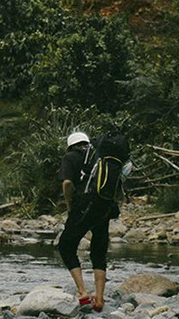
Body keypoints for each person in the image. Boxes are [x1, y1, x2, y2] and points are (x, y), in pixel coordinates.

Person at [57, 131, 105, 310]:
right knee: (99, 251)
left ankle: (83, 292)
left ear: (70, 145)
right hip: (104, 208)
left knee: (66, 246)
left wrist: (70, 206)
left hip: (83, 207)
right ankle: (99, 299)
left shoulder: (70, 157)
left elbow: (67, 183)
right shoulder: (100, 157)